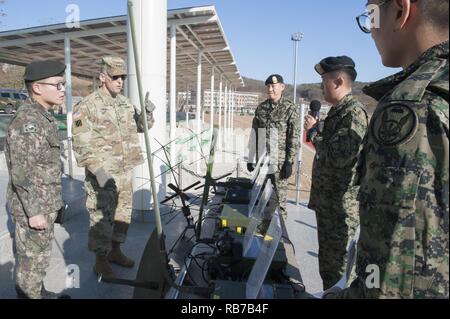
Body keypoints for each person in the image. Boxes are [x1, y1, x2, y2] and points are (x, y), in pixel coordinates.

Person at [336, 0, 448, 298]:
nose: (370, 30)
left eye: (371, 15)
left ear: (400, 10)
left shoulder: (411, 109)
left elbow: (386, 284)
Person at [72, 56, 155, 280]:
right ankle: (100, 261)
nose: (120, 81)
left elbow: (142, 127)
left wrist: (147, 113)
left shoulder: (125, 103)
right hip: (103, 175)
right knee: (101, 218)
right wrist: (99, 174)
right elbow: (80, 144)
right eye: (115, 77)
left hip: (124, 171)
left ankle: (116, 251)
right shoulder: (86, 105)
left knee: (122, 214)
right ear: (102, 77)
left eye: (122, 77)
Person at [5, 60, 70, 299]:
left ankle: (39, 293)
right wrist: (34, 212)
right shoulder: (28, 121)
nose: (63, 89)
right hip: (34, 208)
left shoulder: (43, 116)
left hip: (45, 203)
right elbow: (21, 172)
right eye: (58, 84)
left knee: (39, 259)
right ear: (38, 88)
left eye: (63, 84)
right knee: (31, 265)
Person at [304, 56, 368, 290]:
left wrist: (314, 134)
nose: (321, 86)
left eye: (324, 81)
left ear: (338, 81)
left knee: (339, 272)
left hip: (340, 210)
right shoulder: (338, 111)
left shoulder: (353, 113)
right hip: (329, 205)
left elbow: (338, 156)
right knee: (328, 267)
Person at [247, 74, 300, 220]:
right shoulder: (261, 108)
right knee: (260, 196)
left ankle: (280, 235)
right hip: (262, 162)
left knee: (279, 200)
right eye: (268, 86)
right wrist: (251, 157)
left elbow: (293, 138)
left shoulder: (290, 109)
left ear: (282, 87)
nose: (270, 89)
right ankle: (259, 228)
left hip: (280, 163)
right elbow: (255, 134)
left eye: (273, 86)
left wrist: (289, 161)